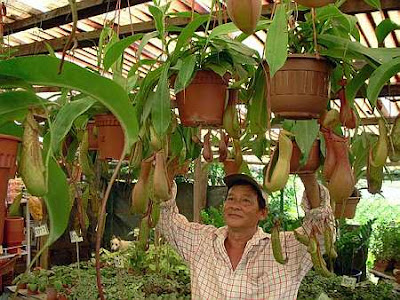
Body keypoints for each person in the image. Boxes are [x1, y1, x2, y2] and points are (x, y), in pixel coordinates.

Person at [157, 172, 334, 300]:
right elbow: (166, 220)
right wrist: (166, 168)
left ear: (262, 213)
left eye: (246, 201)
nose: (235, 205)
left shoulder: (287, 248)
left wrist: (308, 176)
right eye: (231, 198)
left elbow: (321, 232)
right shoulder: (202, 241)